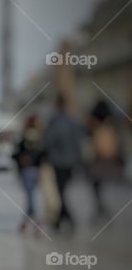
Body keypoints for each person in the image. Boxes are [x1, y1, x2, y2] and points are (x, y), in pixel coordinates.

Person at [42, 95, 84, 232]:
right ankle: (60, 220)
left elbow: (48, 141)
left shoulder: (54, 122)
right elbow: (79, 143)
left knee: (60, 192)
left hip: (57, 162)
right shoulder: (73, 122)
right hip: (71, 162)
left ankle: (66, 218)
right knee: (62, 191)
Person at [86, 100, 125, 219]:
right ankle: (102, 208)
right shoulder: (111, 128)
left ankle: (101, 208)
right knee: (100, 186)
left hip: (101, 162)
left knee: (97, 185)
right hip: (109, 162)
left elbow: (95, 149)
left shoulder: (97, 129)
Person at [13, 115, 45, 234]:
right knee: (31, 197)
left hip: (27, 171)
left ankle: (34, 222)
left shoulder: (24, 138)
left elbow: (16, 154)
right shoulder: (40, 138)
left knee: (30, 198)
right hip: (36, 170)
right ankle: (27, 222)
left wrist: (23, 159)